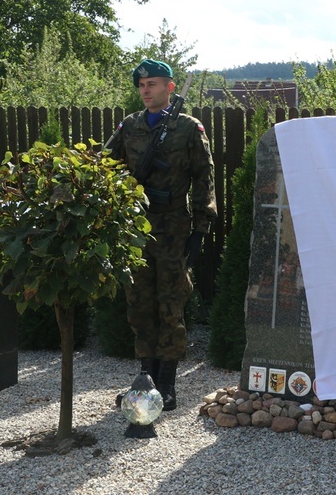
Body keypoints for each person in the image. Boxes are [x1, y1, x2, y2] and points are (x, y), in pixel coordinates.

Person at [109, 59, 217, 411]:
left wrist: (201, 229)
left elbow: (204, 179)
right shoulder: (130, 127)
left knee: (171, 304)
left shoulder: (188, 128)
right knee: (138, 303)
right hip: (136, 230)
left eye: (152, 84)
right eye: (141, 85)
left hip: (172, 229)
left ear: (170, 87)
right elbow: (105, 165)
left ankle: (167, 382)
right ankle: (144, 377)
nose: (145, 90)